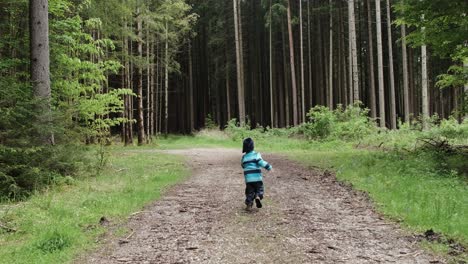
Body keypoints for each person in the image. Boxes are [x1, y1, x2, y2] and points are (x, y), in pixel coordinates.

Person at [241, 138, 272, 210]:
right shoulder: (256, 155)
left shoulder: (244, 157)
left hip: (248, 179)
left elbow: (242, 165)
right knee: (259, 189)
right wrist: (269, 167)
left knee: (249, 192)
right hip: (257, 178)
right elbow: (261, 162)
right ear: (253, 146)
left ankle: (249, 204)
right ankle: (258, 196)